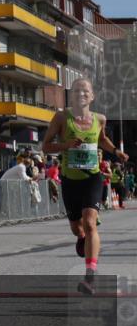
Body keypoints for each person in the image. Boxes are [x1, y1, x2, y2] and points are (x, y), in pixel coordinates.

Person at [41, 78, 128, 294]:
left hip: (92, 177)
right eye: (77, 90)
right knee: (77, 228)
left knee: (90, 224)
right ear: (72, 95)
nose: (81, 93)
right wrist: (66, 145)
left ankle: (90, 277)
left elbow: (101, 139)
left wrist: (116, 152)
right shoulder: (61, 117)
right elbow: (46, 146)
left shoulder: (100, 118)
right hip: (70, 180)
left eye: (85, 90)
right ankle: (82, 238)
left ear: (92, 96)